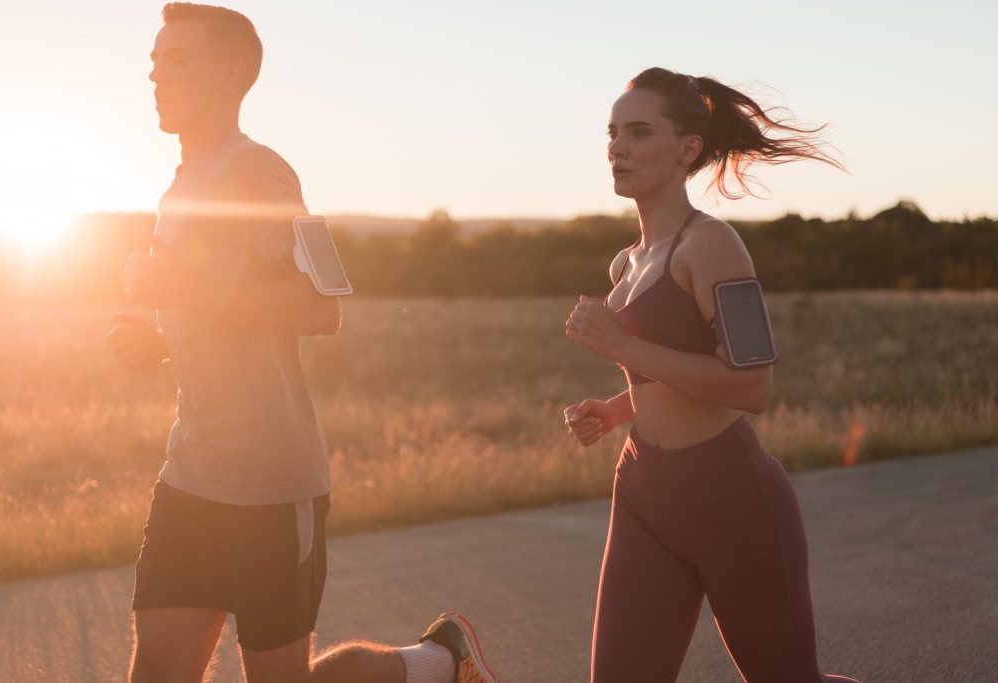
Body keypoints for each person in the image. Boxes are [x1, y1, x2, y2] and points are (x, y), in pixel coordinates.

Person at [108, 4, 495, 682]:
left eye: (176, 60)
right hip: (190, 474)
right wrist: (165, 343)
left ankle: (438, 659)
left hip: (269, 482)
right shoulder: (180, 185)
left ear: (229, 75)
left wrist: (187, 293)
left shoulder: (259, 174)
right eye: (153, 61)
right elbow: (229, 313)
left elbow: (322, 306)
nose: (155, 76)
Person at [563, 67, 860, 683]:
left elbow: (752, 387)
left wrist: (622, 346)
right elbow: (668, 374)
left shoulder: (714, 246)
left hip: (733, 499)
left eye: (640, 133)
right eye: (613, 133)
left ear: (687, 148)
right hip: (643, 491)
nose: (617, 147)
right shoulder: (628, 260)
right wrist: (617, 409)